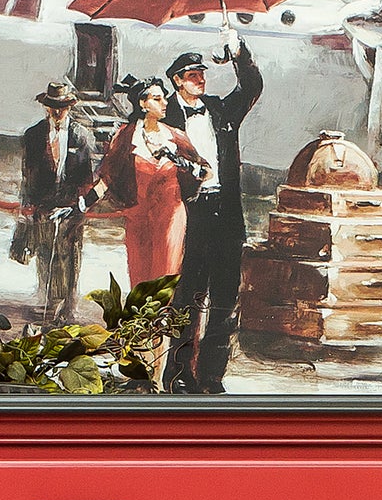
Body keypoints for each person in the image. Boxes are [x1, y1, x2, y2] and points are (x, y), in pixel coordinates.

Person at [163, 35, 262, 392]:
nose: (200, 79)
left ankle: (211, 377)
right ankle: (178, 375)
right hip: (192, 214)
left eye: (201, 73)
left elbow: (252, 86)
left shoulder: (219, 109)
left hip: (227, 213)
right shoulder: (165, 115)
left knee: (224, 297)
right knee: (188, 295)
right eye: (192, 75)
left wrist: (238, 51)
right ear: (177, 80)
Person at [94, 76, 206, 291]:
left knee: (165, 275)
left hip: (170, 215)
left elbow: (206, 170)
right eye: (157, 99)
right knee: (139, 276)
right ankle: (141, 323)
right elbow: (107, 177)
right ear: (143, 103)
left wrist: (179, 161)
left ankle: (159, 323)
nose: (165, 103)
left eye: (164, 98)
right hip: (137, 216)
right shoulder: (125, 136)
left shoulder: (174, 136)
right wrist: (80, 205)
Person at [19, 80, 100, 325]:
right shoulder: (33, 136)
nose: (57, 111)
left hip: (71, 208)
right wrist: (28, 208)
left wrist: (75, 207)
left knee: (71, 256)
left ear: (70, 107)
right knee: (45, 254)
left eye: (62, 106)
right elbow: (28, 174)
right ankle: (50, 302)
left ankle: (68, 306)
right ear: (46, 107)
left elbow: (86, 178)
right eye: (53, 106)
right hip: (43, 206)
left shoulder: (81, 136)